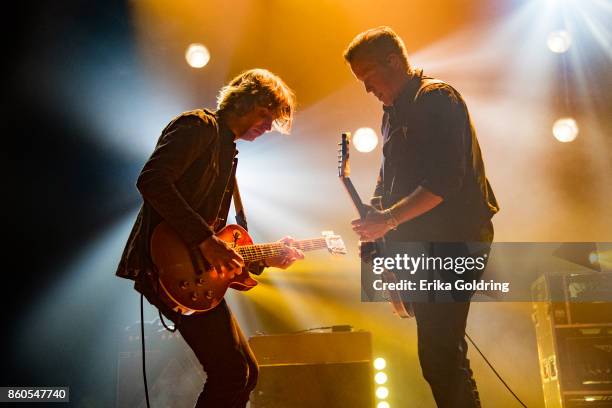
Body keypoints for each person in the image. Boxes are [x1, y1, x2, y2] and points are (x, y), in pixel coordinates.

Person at [116, 68, 304, 408]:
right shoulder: (197, 126)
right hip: (165, 264)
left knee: (246, 372)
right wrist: (205, 240)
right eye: (265, 115)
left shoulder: (226, 150)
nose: (268, 126)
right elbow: (152, 180)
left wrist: (265, 257)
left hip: (193, 268)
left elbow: (221, 239)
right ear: (243, 101)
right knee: (231, 373)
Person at [344, 27, 499, 407]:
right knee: (442, 356)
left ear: (392, 61)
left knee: (440, 354)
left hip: (454, 240)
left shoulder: (436, 98)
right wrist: (375, 220)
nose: (367, 89)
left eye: (367, 77)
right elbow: (388, 177)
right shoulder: (391, 114)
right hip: (424, 244)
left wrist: (389, 219)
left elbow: (446, 180)